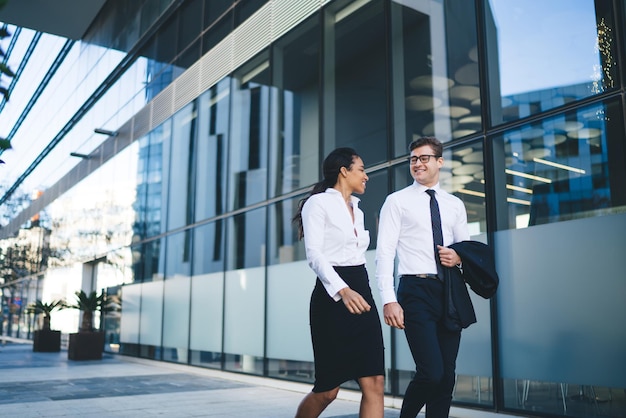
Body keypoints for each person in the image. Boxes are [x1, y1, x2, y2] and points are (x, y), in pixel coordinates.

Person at [375, 136, 470, 418]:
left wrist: (459, 257)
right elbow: (384, 253)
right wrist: (388, 299)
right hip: (415, 290)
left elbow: (466, 248)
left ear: (439, 162)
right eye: (414, 159)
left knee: (447, 377)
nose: (417, 164)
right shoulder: (397, 201)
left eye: (424, 158)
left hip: (450, 290)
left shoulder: (454, 204)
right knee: (431, 372)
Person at [293, 147, 385, 418]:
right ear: (344, 171)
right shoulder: (318, 203)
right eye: (362, 169)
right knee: (327, 390)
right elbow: (315, 255)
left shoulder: (358, 208)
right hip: (332, 297)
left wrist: (358, 290)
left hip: (361, 291)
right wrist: (343, 290)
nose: (366, 176)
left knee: (375, 382)